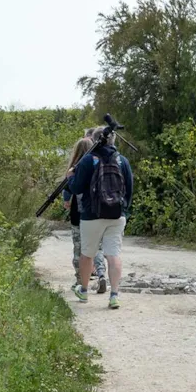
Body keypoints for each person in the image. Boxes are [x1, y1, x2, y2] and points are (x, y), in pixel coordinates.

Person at [68, 129, 133, 309]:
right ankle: (114, 295)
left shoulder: (88, 160)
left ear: (95, 141)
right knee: (113, 254)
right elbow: (129, 189)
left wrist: (70, 177)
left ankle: (84, 291)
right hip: (116, 215)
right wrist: (124, 212)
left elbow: (76, 188)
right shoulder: (123, 161)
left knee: (87, 254)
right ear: (113, 141)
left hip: (91, 215)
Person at [62, 137, 107, 293]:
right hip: (97, 212)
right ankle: (101, 274)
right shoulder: (98, 164)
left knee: (79, 249)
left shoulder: (75, 168)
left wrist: (66, 201)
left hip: (78, 214)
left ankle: (80, 281)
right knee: (98, 248)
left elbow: (68, 188)